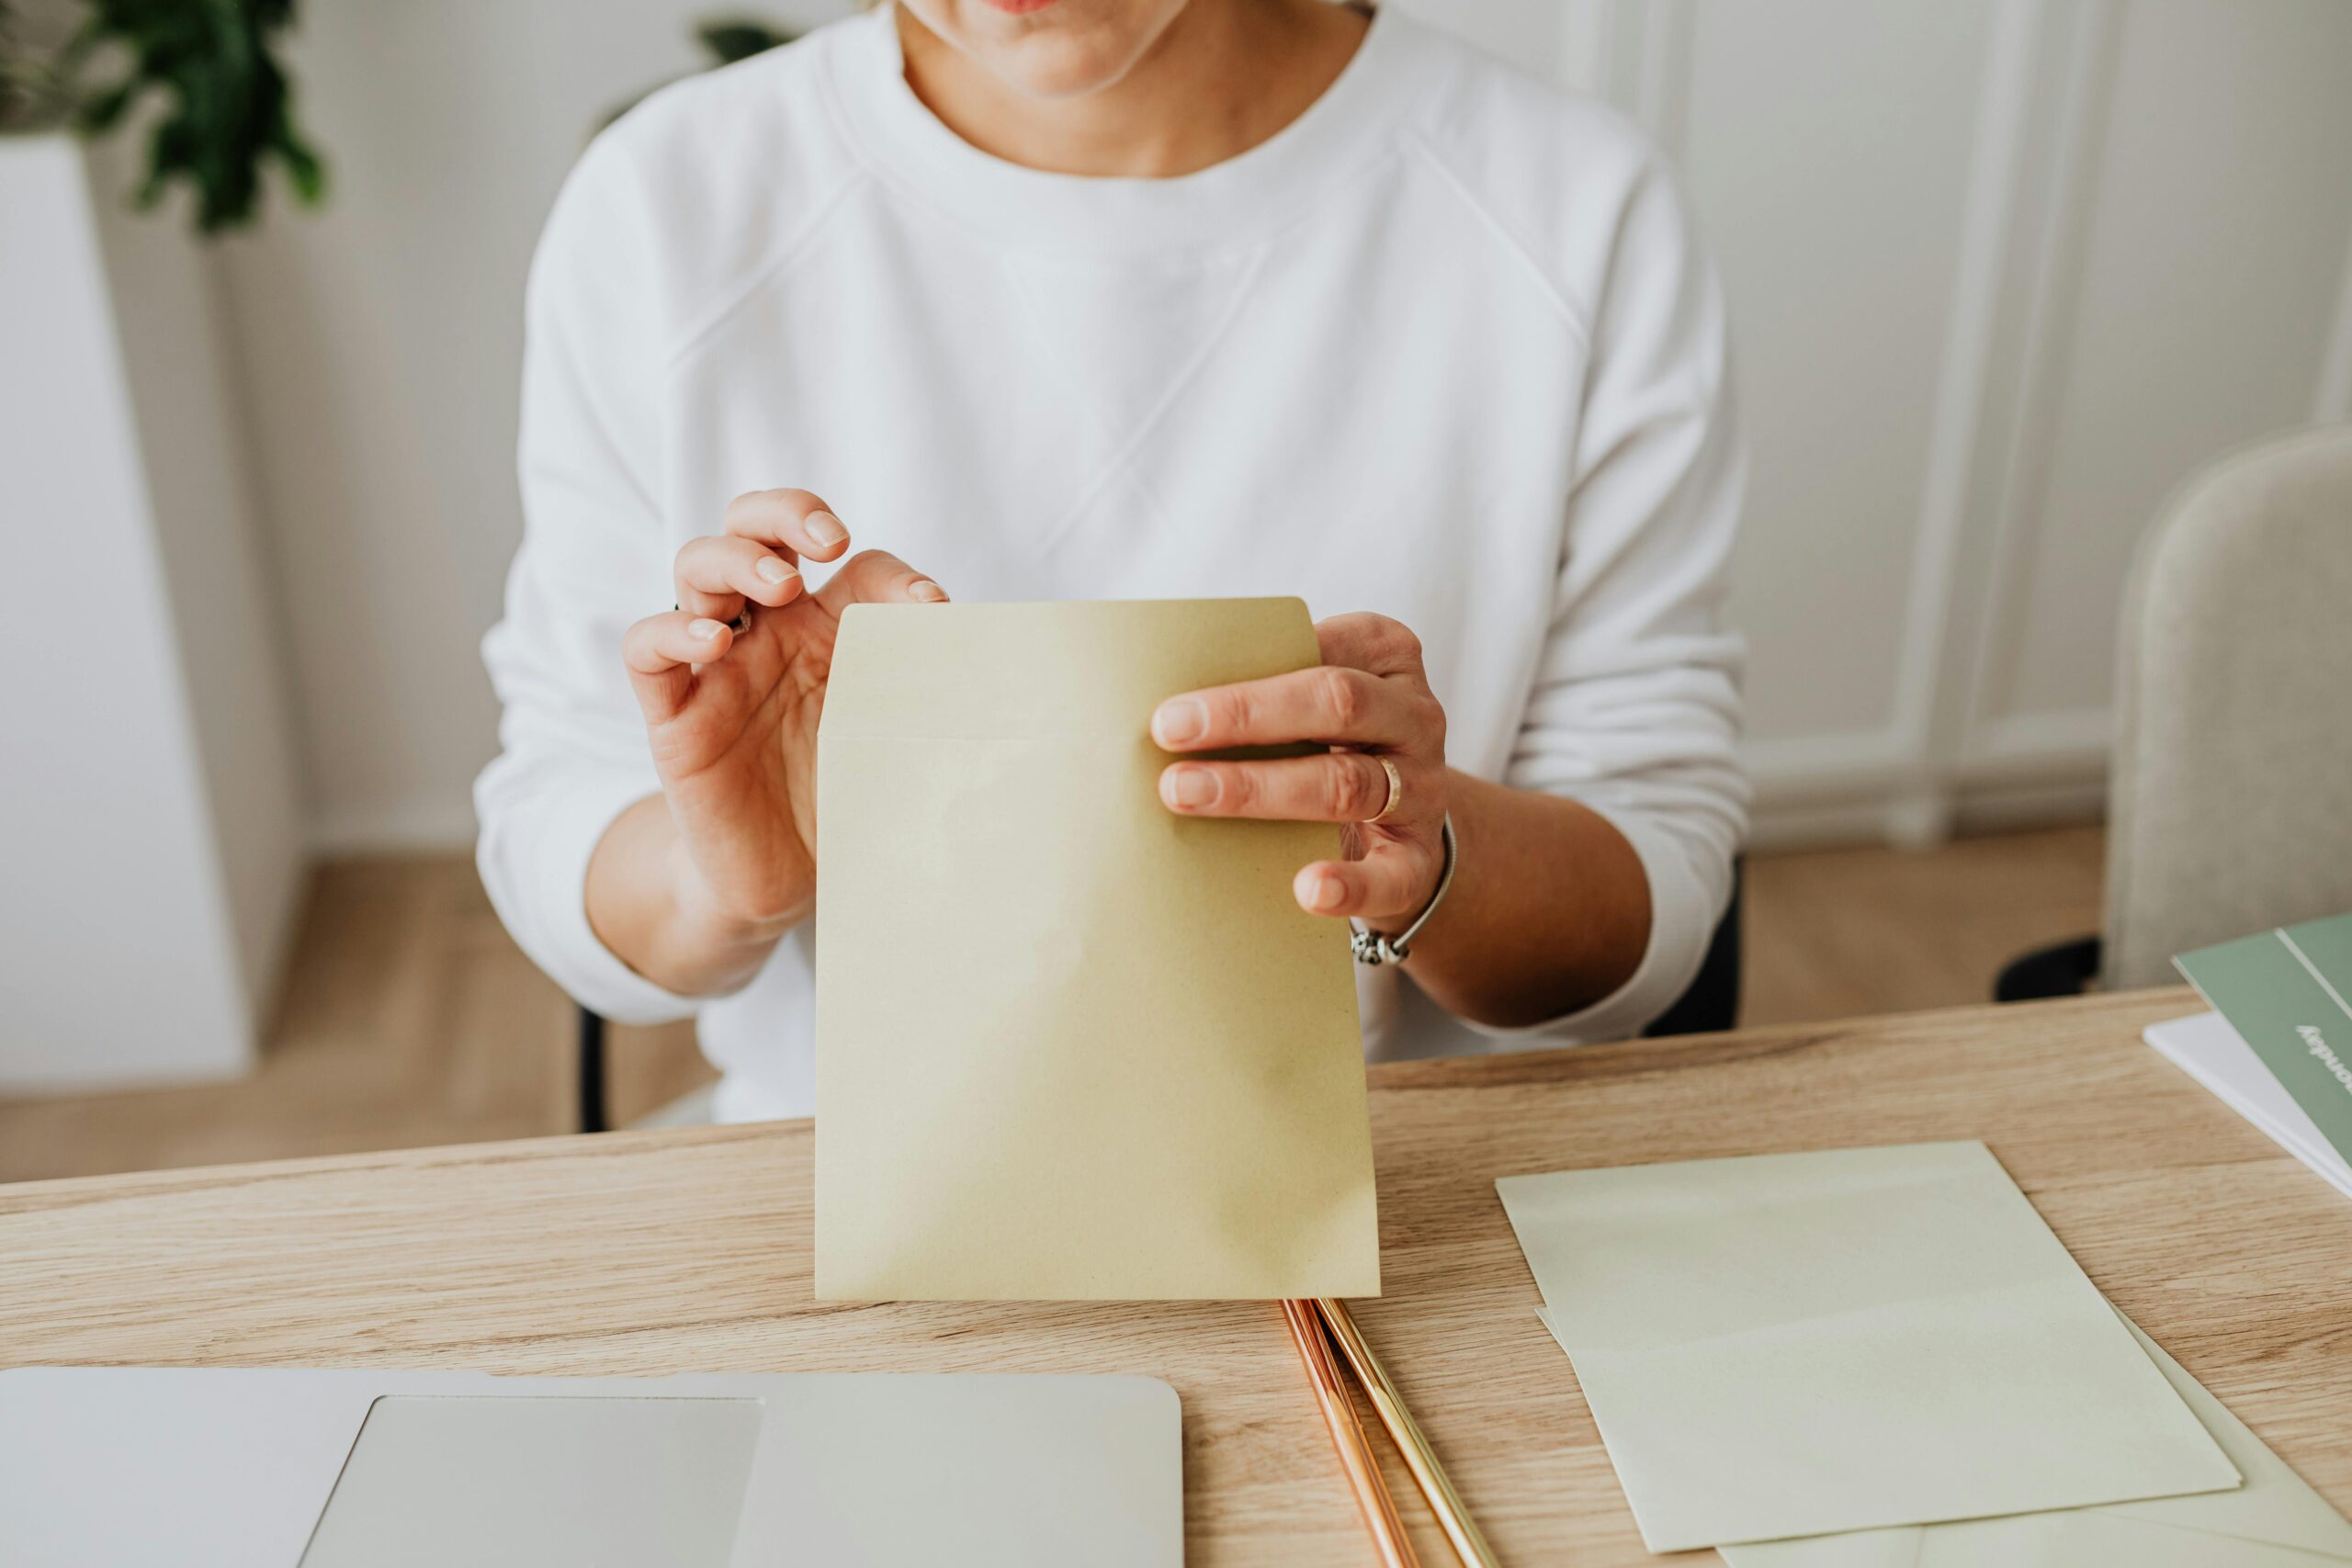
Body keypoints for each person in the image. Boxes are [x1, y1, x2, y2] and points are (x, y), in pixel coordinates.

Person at [477, 0, 1747, 1123]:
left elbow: (1657, 885)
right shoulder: (666, 203)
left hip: (1417, 1213)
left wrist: (1438, 853)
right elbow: (559, 816)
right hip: (852, 1208)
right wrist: (723, 875)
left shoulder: (1571, 210)